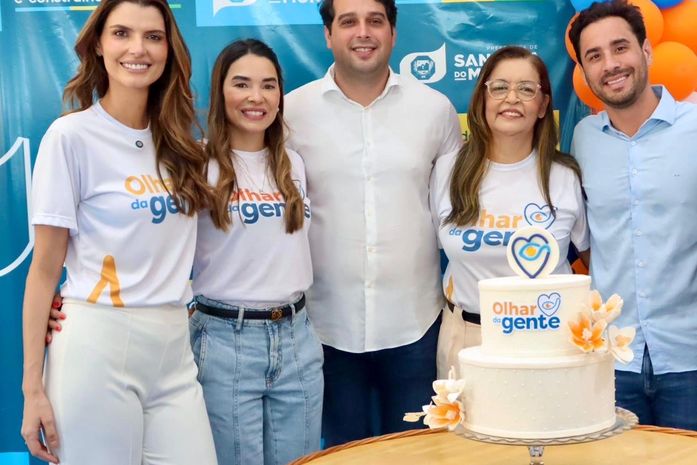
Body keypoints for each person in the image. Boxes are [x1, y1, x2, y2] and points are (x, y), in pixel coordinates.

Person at [20, 1, 219, 464]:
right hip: (97, 345)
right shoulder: (70, 137)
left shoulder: (185, 146)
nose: (138, 49)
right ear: (98, 45)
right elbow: (44, 269)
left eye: (153, 36)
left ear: (169, 49)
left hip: (174, 349)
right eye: (122, 33)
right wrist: (33, 387)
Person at [284, 0, 462, 445]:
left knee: (417, 455)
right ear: (328, 35)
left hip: (416, 328)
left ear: (393, 33)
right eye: (348, 22)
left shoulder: (435, 110)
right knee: (342, 454)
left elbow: (453, 216)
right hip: (326, 329)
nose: (363, 32)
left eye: (375, 21)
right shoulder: (290, 113)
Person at [189, 39, 323, 465]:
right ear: (220, 91)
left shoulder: (293, 164)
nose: (256, 97)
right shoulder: (196, 164)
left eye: (268, 85)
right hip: (225, 340)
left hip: (297, 337)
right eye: (242, 84)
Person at [568, 0, 697, 430]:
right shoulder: (583, 138)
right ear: (585, 72)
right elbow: (587, 237)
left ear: (646, 50)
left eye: (620, 47)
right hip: (611, 361)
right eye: (594, 56)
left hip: (689, 359)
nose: (610, 64)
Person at [430, 45, 590, 378]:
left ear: (543, 105)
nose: (512, 98)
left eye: (527, 89)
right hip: (467, 339)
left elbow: (592, 262)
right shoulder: (447, 170)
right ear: (482, 99)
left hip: (550, 340)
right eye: (500, 87)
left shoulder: (565, 176)